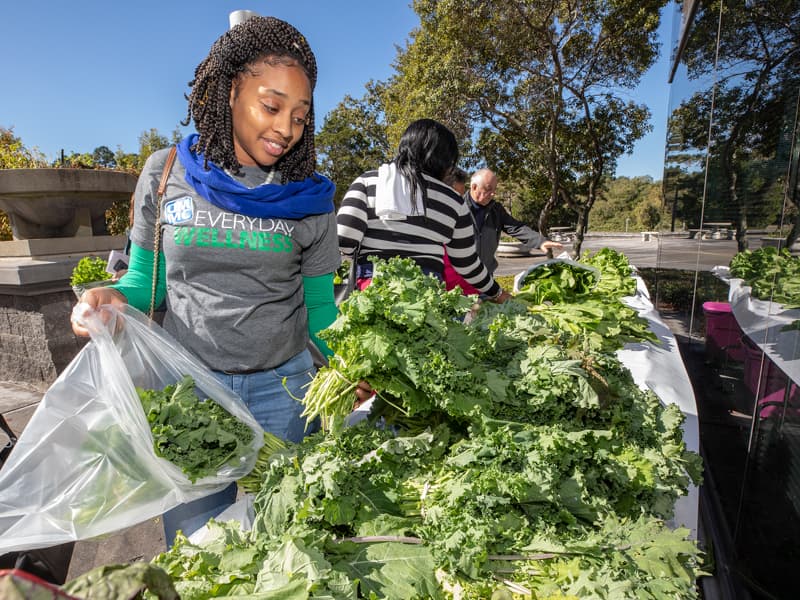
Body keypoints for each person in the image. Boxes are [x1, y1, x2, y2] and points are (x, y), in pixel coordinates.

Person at [71, 15, 340, 545]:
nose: (287, 128)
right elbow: (145, 285)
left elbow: (320, 309)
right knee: (196, 557)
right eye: (272, 105)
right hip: (189, 395)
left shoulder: (309, 197)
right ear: (230, 89)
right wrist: (106, 301)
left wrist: (353, 366)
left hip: (283, 395)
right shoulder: (166, 170)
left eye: (300, 115)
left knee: (285, 550)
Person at [337, 119, 511, 302]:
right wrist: (497, 293)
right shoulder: (453, 201)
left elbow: (344, 241)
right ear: (445, 160)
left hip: (372, 291)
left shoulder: (368, 182)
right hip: (427, 300)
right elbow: (467, 264)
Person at [443, 168, 562, 295]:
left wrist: (540, 241)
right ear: (474, 187)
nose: (493, 194)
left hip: (486, 279)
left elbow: (516, 227)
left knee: (485, 313)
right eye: (489, 189)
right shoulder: (458, 207)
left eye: (495, 190)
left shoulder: (496, 210)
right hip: (459, 279)